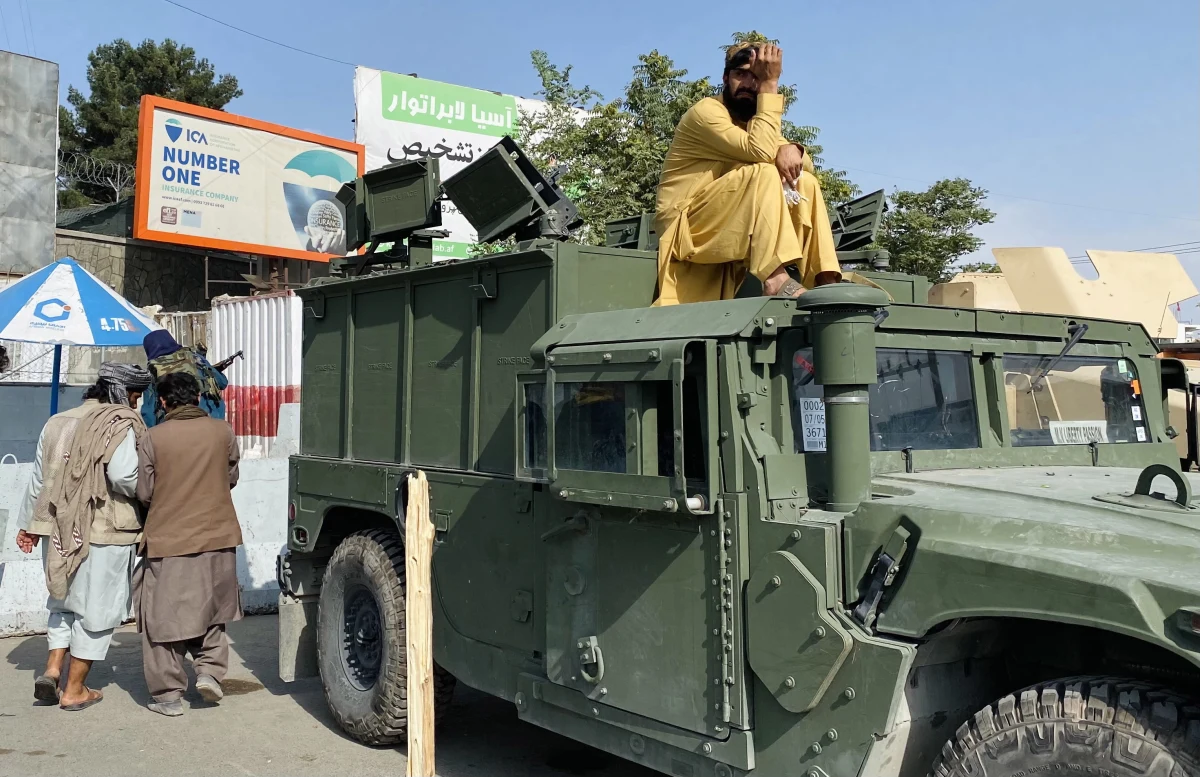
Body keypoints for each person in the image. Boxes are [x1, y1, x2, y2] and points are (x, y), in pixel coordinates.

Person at [653, 41, 843, 306]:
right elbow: (760, 150)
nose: (748, 84)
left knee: (805, 183)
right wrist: (770, 84)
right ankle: (774, 278)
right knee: (766, 172)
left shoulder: (753, 124)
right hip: (685, 229)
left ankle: (826, 280)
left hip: (723, 224)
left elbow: (804, 165)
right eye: (741, 74)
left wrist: (794, 149)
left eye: (757, 78)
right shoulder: (706, 113)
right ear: (725, 77)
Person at [13, 363, 151, 710]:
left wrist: (27, 525)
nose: (135, 405)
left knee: (63, 601)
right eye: (135, 397)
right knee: (98, 610)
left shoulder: (56, 421)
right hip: (104, 530)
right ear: (122, 394)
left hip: (56, 527)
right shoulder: (118, 423)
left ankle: (53, 669)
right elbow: (124, 477)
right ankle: (75, 690)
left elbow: (38, 480)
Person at [135, 371, 243, 717]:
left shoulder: (153, 438)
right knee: (213, 611)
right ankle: (210, 673)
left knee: (161, 619)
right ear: (198, 398)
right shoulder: (222, 431)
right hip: (219, 536)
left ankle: (168, 695)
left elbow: (145, 492)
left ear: (164, 402)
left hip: (169, 540)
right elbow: (231, 477)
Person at [140, 330, 229, 428]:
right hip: (211, 421)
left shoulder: (153, 370)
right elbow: (222, 382)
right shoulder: (195, 358)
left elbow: (148, 412)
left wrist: (154, 434)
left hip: (174, 429)